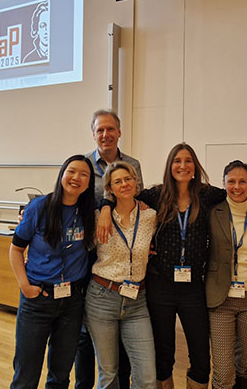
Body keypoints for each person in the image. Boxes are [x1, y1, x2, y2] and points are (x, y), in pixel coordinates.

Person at [99, 143, 247, 389]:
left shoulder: (206, 194)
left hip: (194, 286)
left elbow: (243, 195)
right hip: (160, 285)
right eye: (177, 161)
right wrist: (106, 208)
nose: (183, 166)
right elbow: (122, 194)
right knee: (163, 352)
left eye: (188, 161)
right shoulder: (156, 195)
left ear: (195, 166)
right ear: (170, 166)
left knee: (201, 355)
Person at [8, 155, 96, 389]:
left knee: (60, 374)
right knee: (26, 374)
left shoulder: (89, 212)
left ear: (89, 184)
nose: (76, 178)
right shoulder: (40, 207)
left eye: (84, 174)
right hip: (38, 299)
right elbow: (16, 249)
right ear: (62, 175)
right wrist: (25, 286)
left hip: (72, 301)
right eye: (71, 171)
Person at [79, 109, 142, 389]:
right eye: (100, 130)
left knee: (120, 332)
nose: (105, 134)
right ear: (93, 134)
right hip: (89, 252)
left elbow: (133, 198)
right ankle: (84, 384)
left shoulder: (132, 164)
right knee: (85, 331)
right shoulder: (82, 165)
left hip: (122, 254)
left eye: (110, 129)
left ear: (119, 132)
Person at [85, 162, 157, 388]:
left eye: (128, 179)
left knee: (146, 377)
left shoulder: (150, 216)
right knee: (108, 374)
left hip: (137, 301)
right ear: (110, 188)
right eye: (117, 181)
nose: (124, 184)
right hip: (102, 298)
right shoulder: (98, 217)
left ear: (136, 182)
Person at [206, 161, 247, 389]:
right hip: (220, 299)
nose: (237, 187)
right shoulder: (212, 212)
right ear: (223, 183)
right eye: (231, 181)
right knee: (224, 371)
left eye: (242, 181)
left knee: (243, 363)